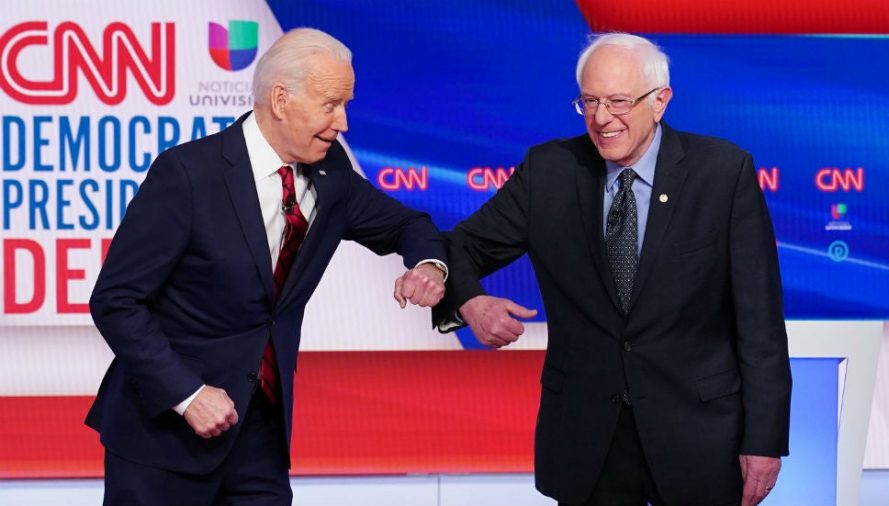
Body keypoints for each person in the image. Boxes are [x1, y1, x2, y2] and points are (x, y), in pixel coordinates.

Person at [87, 28, 447, 506]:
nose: (343, 122)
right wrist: (188, 395)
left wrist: (428, 267)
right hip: (164, 436)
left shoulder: (331, 171)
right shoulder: (189, 175)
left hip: (259, 435)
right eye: (330, 104)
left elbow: (408, 225)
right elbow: (116, 301)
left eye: (346, 104)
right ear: (281, 99)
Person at [435, 32, 791, 506]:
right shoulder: (550, 171)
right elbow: (460, 247)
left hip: (698, 438)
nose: (602, 119)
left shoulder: (723, 173)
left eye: (619, 102)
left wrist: (764, 441)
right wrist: (470, 301)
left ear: (660, 101)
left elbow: (760, 323)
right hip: (588, 442)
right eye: (589, 102)